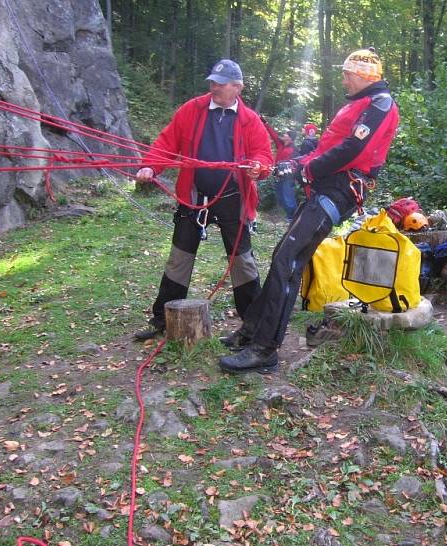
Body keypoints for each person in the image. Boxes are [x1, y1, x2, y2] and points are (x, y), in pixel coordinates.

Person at [218, 47, 400, 373]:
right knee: (283, 256)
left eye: (347, 73)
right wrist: (292, 164)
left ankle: (264, 348)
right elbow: (326, 150)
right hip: (326, 188)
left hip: (339, 190)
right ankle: (251, 333)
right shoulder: (357, 105)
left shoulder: (379, 104)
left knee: (287, 260)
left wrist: (307, 171)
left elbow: (353, 149)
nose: (342, 78)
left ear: (362, 75)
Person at [133, 59, 272, 340]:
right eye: (213, 82)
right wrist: (151, 165)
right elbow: (166, 142)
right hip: (194, 197)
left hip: (233, 198)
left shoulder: (250, 120)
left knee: (242, 261)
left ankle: (252, 327)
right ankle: (162, 320)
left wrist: (259, 166)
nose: (214, 87)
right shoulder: (192, 109)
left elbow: (264, 155)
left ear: (237, 87)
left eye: (220, 84)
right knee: (179, 258)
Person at [263, 123, 298, 220]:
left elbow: (295, 163)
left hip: (288, 177)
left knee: (288, 196)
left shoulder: (293, 150)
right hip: (278, 174)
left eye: (286, 134)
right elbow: (273, 134)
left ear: (290, 138)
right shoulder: (281, 145)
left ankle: (293, 216)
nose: (284, 135)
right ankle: (289, 215)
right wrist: (265, 123)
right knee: (280, 196)